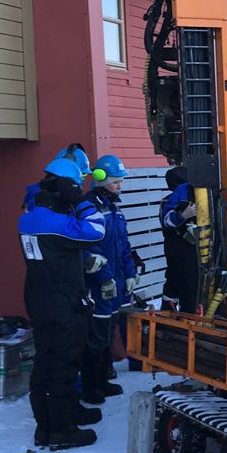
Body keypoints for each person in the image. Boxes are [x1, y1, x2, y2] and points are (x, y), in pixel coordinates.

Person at [19, 158, 106, 449]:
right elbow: (96, 229)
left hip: (39, 298)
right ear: (66, 187)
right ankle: (60, 430)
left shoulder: (30, 216)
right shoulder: (56, 222)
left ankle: (50, 422)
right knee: (63, 363)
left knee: (45, 359)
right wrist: (80, 200)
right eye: (77, 183)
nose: (80, 186)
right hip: (62, 302)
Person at [80, 154, 137, 404]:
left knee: (107, 332)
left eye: (120, 182)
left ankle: (103, 379)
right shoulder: (89, 207)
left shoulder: (114, 208)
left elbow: (123, 245)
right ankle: (91, 386)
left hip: (115, 282)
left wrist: (130, 274)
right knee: (96, 337)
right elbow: (90, 248)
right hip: (98, 284)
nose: (120, 186)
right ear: (101, 179)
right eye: (116, 182)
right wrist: (104, 278)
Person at [160, 165, 201, 313]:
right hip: (180, 251)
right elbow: (167, 222)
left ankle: (172, 312)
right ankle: (184, 317)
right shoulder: (173, 200)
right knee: (186, 285)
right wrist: (184, 215)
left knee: (177, 283)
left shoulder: (194, 196)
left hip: (181, 252)